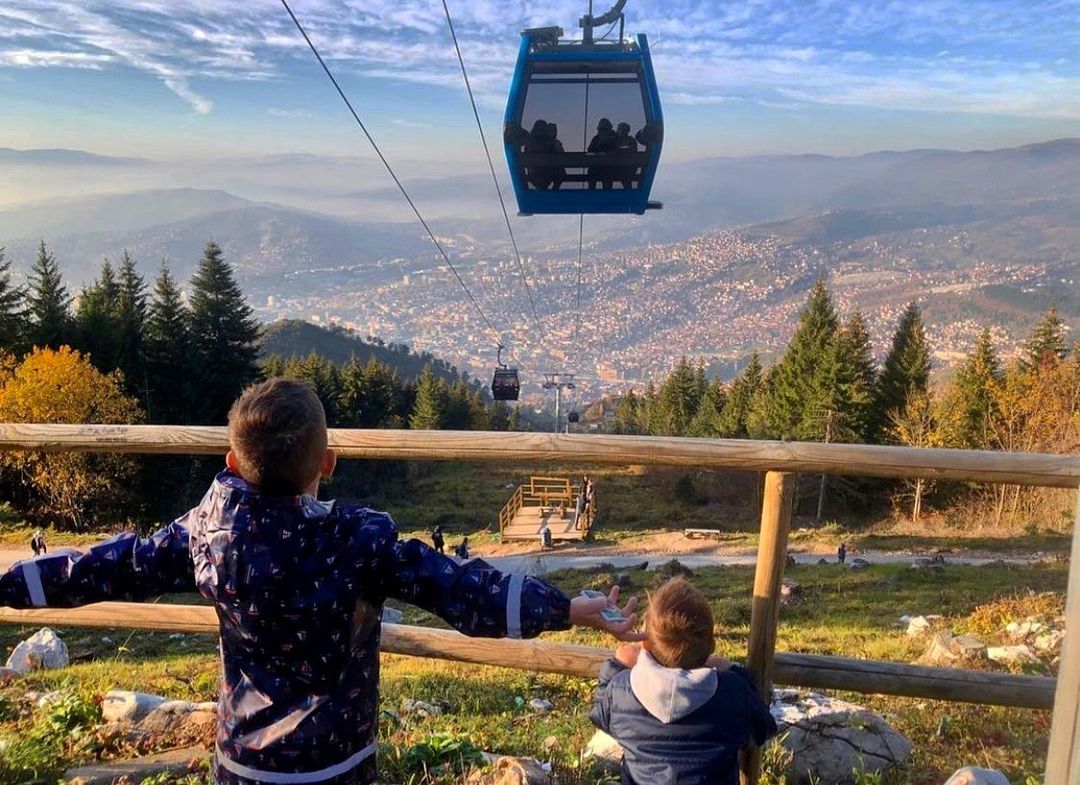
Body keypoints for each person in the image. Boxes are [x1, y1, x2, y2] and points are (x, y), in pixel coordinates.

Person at [0, 378, 642, 785]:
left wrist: (9, 583)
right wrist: (566, 608)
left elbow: (105, 566)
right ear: (327, 464)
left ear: (231, 462)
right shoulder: (358, 541)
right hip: (338, 759)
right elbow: (461, 591)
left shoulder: (205, 534)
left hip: (243, 758)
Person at [590, 578, 776, 785]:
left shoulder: (622, 691)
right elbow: (763, 728)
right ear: (711, 646)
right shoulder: (733, 693)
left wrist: (617, 665)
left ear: (645, 643)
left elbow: (600, 714)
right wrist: (734, 671)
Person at [524, 120, 565, 191]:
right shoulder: (551, 143)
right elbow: (561, 157)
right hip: (549, 174)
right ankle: (555, 189)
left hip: (534, 174)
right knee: (560, 171)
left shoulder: (529, 143)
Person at [587, 118, 617, 190]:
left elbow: (617, 149)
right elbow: (590, 150)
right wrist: (599, 144)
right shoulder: (596, 138)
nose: (602, 131)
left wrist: (608, 143)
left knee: (607, 175)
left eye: (604, 129)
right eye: (600, 129)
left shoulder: (615, 137)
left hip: (610, 166)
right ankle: (590, 194)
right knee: (591, 173)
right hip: (597, 166)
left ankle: (607, 195)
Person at [614, 122, 639, 190]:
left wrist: (619, 149)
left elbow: (631, 149)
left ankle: (628, 191)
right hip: (618, 167)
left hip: (628, 167)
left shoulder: (631, 140)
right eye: (619, 129)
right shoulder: (615, 140)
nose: (619, 131)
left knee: (625, 176)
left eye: (621, 129)